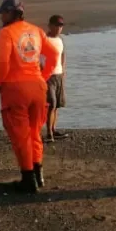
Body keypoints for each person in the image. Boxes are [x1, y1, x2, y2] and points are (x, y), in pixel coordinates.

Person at [0, 0, 60, 193]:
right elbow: (54, 55)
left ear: (11, 13)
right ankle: (38, 174)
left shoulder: (6, 33)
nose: (1, 17)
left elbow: (3, 62)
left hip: (16, 89)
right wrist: (43, 76)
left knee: (21, 135)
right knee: (34, 132)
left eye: (3, 13)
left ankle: (28, 179)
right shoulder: (37, 31)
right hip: (38, 88)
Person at [41, 14, 68, 142]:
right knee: (51, 103)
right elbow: (37, 58)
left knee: (57, 105)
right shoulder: (44, 40)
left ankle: (53, 129)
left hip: (58, 75)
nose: (59, 28)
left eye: (61, 26)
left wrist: (63, 70)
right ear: (50, 26)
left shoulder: (60, 40)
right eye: (56, 25)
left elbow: (63, 54)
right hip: (48, 77)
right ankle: (49, 133)